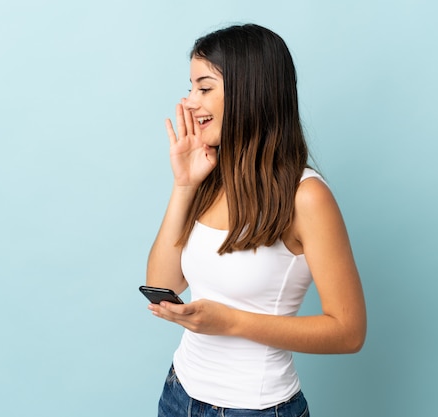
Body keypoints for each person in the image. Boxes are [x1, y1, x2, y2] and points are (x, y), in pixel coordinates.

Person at [145, 23, 367, 417]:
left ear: (250, 90)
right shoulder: (209, 176)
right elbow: (163, 284)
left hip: (257, 409)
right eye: (191, 87)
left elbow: (348, 332)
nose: (190, 102)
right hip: (179, 394)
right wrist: (183, 186)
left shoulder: (306, 196)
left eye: (205, 87)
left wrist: (230, 322)